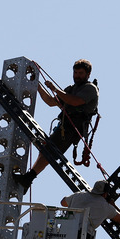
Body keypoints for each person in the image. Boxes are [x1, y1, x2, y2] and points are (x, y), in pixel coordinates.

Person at [13, 59, 99, 194]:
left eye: (80, 73)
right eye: (75, 72)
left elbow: (75, 102)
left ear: (88, 74)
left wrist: (55, 89)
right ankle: (28, 179)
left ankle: (28, 178)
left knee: (49, 151)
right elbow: (51, 101)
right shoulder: (71, 89)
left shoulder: (90, 89)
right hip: (65, 125)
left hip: (73, 128)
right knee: (45, 150)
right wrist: (37, 84)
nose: (77, 75)